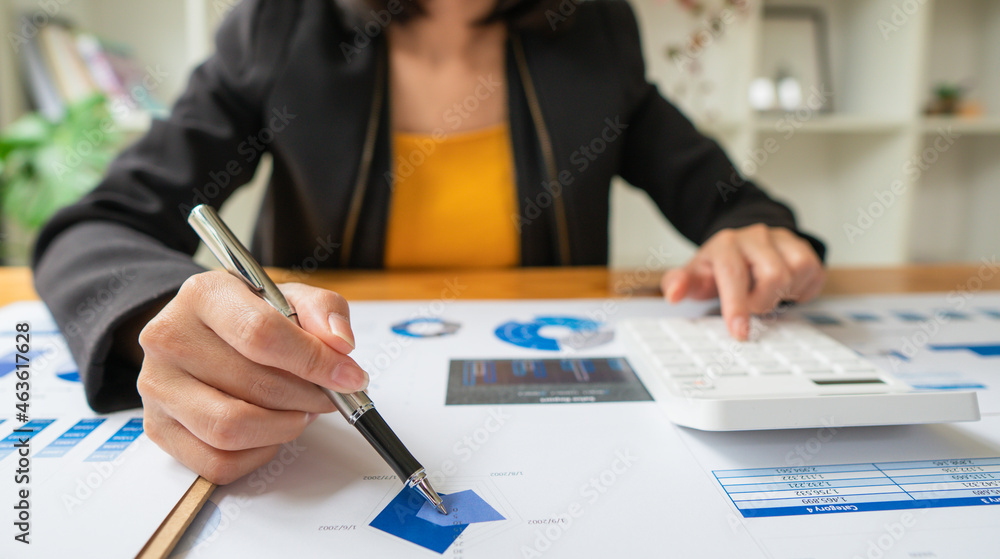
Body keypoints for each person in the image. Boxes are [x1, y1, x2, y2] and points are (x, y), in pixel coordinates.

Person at [32, 0, 826, 484]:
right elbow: (99, 226)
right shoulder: (280, 26)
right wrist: (162, 316)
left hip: (543, 400)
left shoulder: (596, 30)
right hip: (334, 404)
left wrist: (751, 237)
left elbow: (736, 206)